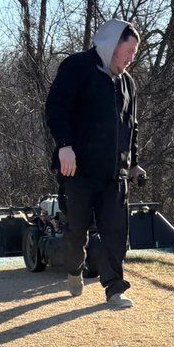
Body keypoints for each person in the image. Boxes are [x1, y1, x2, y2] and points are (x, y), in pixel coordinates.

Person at [45, 18, 146, 310]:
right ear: (112, 46)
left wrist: (135, 164)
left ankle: (115, 289)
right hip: (77, 169)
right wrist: (64, 145)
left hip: (115, 173)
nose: (131, 59)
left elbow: (131, 127)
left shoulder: (127, 83)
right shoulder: (77, 67)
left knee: (115, 231)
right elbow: (56, 107)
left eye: (134, 54)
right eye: (128, 52)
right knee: (77, 229)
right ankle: (74, 269)